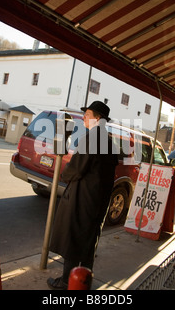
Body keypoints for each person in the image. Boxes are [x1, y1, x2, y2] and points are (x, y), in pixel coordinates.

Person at [47, 101, 118, 290]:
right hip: (98, 199)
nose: (84, 117)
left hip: (83, 197)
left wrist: (64, 174)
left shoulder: (93, 137)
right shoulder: (109, 140)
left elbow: (77, 168)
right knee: (87, 242)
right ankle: (84, 280)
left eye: (87, 114)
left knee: (74, 239)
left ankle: (66, 282)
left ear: (98, 119)